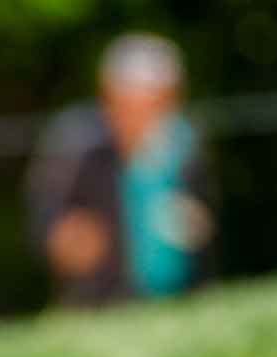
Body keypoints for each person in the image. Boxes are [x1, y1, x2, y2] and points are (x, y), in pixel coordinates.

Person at [24, 33, 214, 306]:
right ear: (110, 98)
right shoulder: (78, 146)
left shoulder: (186, 146)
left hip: (179, 299)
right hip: (101, 304)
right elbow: (48, 223)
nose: (149, 116)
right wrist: (67, 240)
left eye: (160, 101)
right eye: (137, 102)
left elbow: (204, 225)